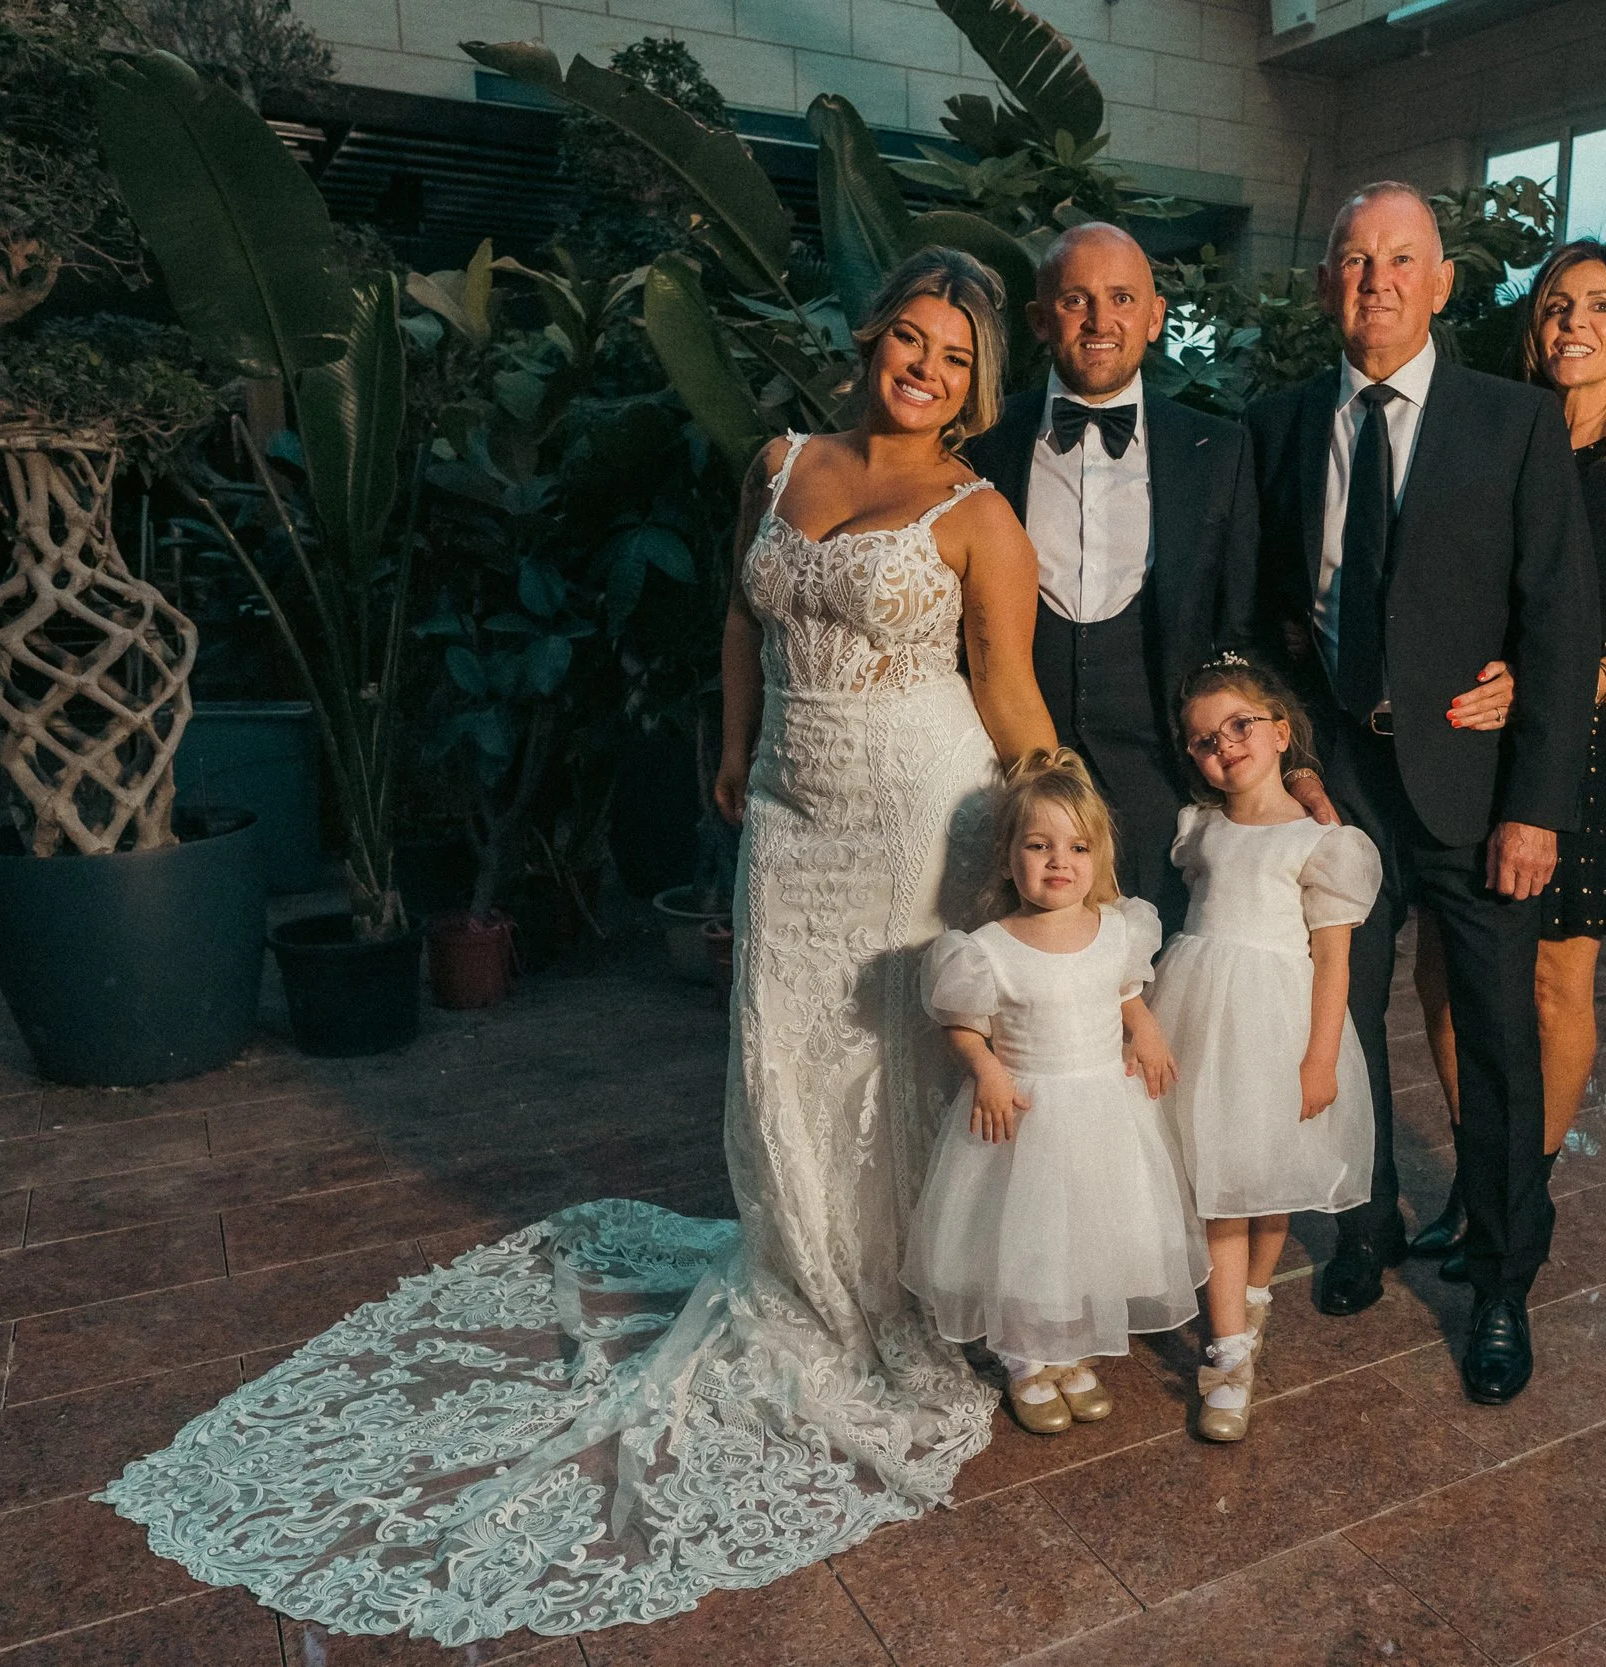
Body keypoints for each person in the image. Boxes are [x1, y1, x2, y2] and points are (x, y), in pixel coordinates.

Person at [97, 248, 1063, 1645]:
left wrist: (1065, 834)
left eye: (957, 356)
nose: (926, 365)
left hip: (925, 809)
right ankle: (802, 1278)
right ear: (872, 340)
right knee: (778, 1049)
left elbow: (1010, 683)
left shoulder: (982, 515)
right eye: (911, 337)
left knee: (890, 1057)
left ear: (977, 389)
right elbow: (741, 609)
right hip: (793, 810)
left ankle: (899, 1295)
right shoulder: (782, 459)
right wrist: (730, 746)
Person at [1243, 181, 1601, 1406]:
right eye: (1351, 260)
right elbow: (1262, 618)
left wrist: (1537, 806)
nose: (1375, 281)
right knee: (1335, 1023)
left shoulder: (1514, 425)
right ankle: (1364, 1222)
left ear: (1443, 282)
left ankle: (1501, 1281)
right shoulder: (1279, 424)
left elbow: (1560, 624)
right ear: (1324, 282)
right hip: (1337, 777)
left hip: (1474, 784)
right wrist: (1290, 757)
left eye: (1401, 260)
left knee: (1498, 1043)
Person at [964, 223, 1471, 925]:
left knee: (1162, 994)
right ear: (1040, 319)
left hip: (1165, 776)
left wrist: (1287, 755)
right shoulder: (983, 440)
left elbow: (1250, 625)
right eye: (1077, 300)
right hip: (1007, 774)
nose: (1101, 320)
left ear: (1155, 317)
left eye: (1121, 298)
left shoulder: (1218, 449)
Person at [1406, 240, 1606, 1280]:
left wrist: (1543, 688)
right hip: (1475, 738)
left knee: (1546, 980)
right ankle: (1476, 1177)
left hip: (1582, 746)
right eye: (1553, 306)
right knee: (1443, 962)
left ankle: (1515, 1196)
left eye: (1597, 308)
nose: (1570, 323)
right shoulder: (1500, 443)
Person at [901, 749, 1206, 1435]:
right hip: (1027, 1117)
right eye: (1037, 846)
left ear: (1098, 856)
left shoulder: (1117, 931)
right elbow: (961, 1023)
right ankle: (1024, 1359)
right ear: (1008, 857)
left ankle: (1067, 1349)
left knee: (1091, 1230)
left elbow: (1125, 990)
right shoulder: (986, 949)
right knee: (1028, 1242)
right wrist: (986, 1069)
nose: (1057, 861)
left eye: (1075, 846)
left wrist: (1147, 1030)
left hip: (1102, 1108)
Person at [1149, 655, 1381, 1441]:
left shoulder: (1322, 842)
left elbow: (1335, 959)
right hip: (1198, 1012)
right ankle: (1227, 1356)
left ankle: (1249, 1302)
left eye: (1240, 725)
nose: (1224, 745)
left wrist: (1320, 1057)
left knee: (1268, 1187)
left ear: (1283, 732)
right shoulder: (1198, 828)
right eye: (1204, 739)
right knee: (1217, 1184)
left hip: (1275, 1022)